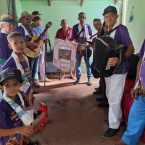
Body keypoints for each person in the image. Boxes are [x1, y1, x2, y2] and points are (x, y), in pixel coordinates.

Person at [101, 6, 134, 139]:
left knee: (114, 99)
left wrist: (119, 59)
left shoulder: (121, 29)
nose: (109, 19)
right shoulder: (107, 31)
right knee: (109, 95)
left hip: (119, 69)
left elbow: (131, 48)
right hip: (109, 70)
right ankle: (118, 118)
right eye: (106, 17)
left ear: (117, 16)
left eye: (111, 16)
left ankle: (114, 126)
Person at [111, 40, 145, 145]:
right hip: (143, 87)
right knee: (135, 113)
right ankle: (128, 140)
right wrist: (136, 85)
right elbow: (140, 60)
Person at [0, 68, 39, 145]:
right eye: (7, 85)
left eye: (15, 84)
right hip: (10, 140)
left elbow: (21, 108)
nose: (12, 87)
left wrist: (30, 111)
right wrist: (18, 130)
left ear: (20, 85)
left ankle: (26, 141)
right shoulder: (1, 106)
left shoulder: (19, 96)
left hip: (21, 135)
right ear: (1, 87)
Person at [0, 32, 34, 106]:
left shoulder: (25, 58)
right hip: (18, 94)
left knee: (27, 109)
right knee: (20, 112)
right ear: (10, 46)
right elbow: (1, 73)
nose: (19, 45)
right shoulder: (10, 62)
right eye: (15, 43)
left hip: (27, 90)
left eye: (22, 42)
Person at [16, 11, 39, 93]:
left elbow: (35, 39)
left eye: (30, 19)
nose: (29, 20)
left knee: (33, 72)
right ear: (22, 19)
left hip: (34, 53)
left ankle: (31, 89)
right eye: (27, 19)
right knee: (27, 73)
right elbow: (19, 42)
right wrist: (31, 44)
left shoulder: (31, 29)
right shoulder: (19, 29)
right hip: (26, 54)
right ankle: (27, 91)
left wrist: (41, 41)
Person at [70, 12, 93, 86]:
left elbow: (91, 36)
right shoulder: (75, 27)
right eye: (80, 17)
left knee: (88, 64)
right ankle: (78, 78)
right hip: (78, 47)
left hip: (86, 47)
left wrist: (89, 40)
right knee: (78, 64)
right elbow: (73, 37)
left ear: (85, 18)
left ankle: (89, 79)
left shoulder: (88, 26)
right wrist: (68, 41)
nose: (82, 18)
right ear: (78, 18)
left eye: (83, 17)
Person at [31, 11, 52, 87]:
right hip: (34, 48)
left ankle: (43, 77)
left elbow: (46, 37)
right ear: (32, 17)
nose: (38, 17)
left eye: (38, 16)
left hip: (42, 47)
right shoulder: (31, 27)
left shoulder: (43, 27)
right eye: (36, 16)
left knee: (42, 62)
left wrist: (46, 40)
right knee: (35, 64)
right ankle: (35, 80)